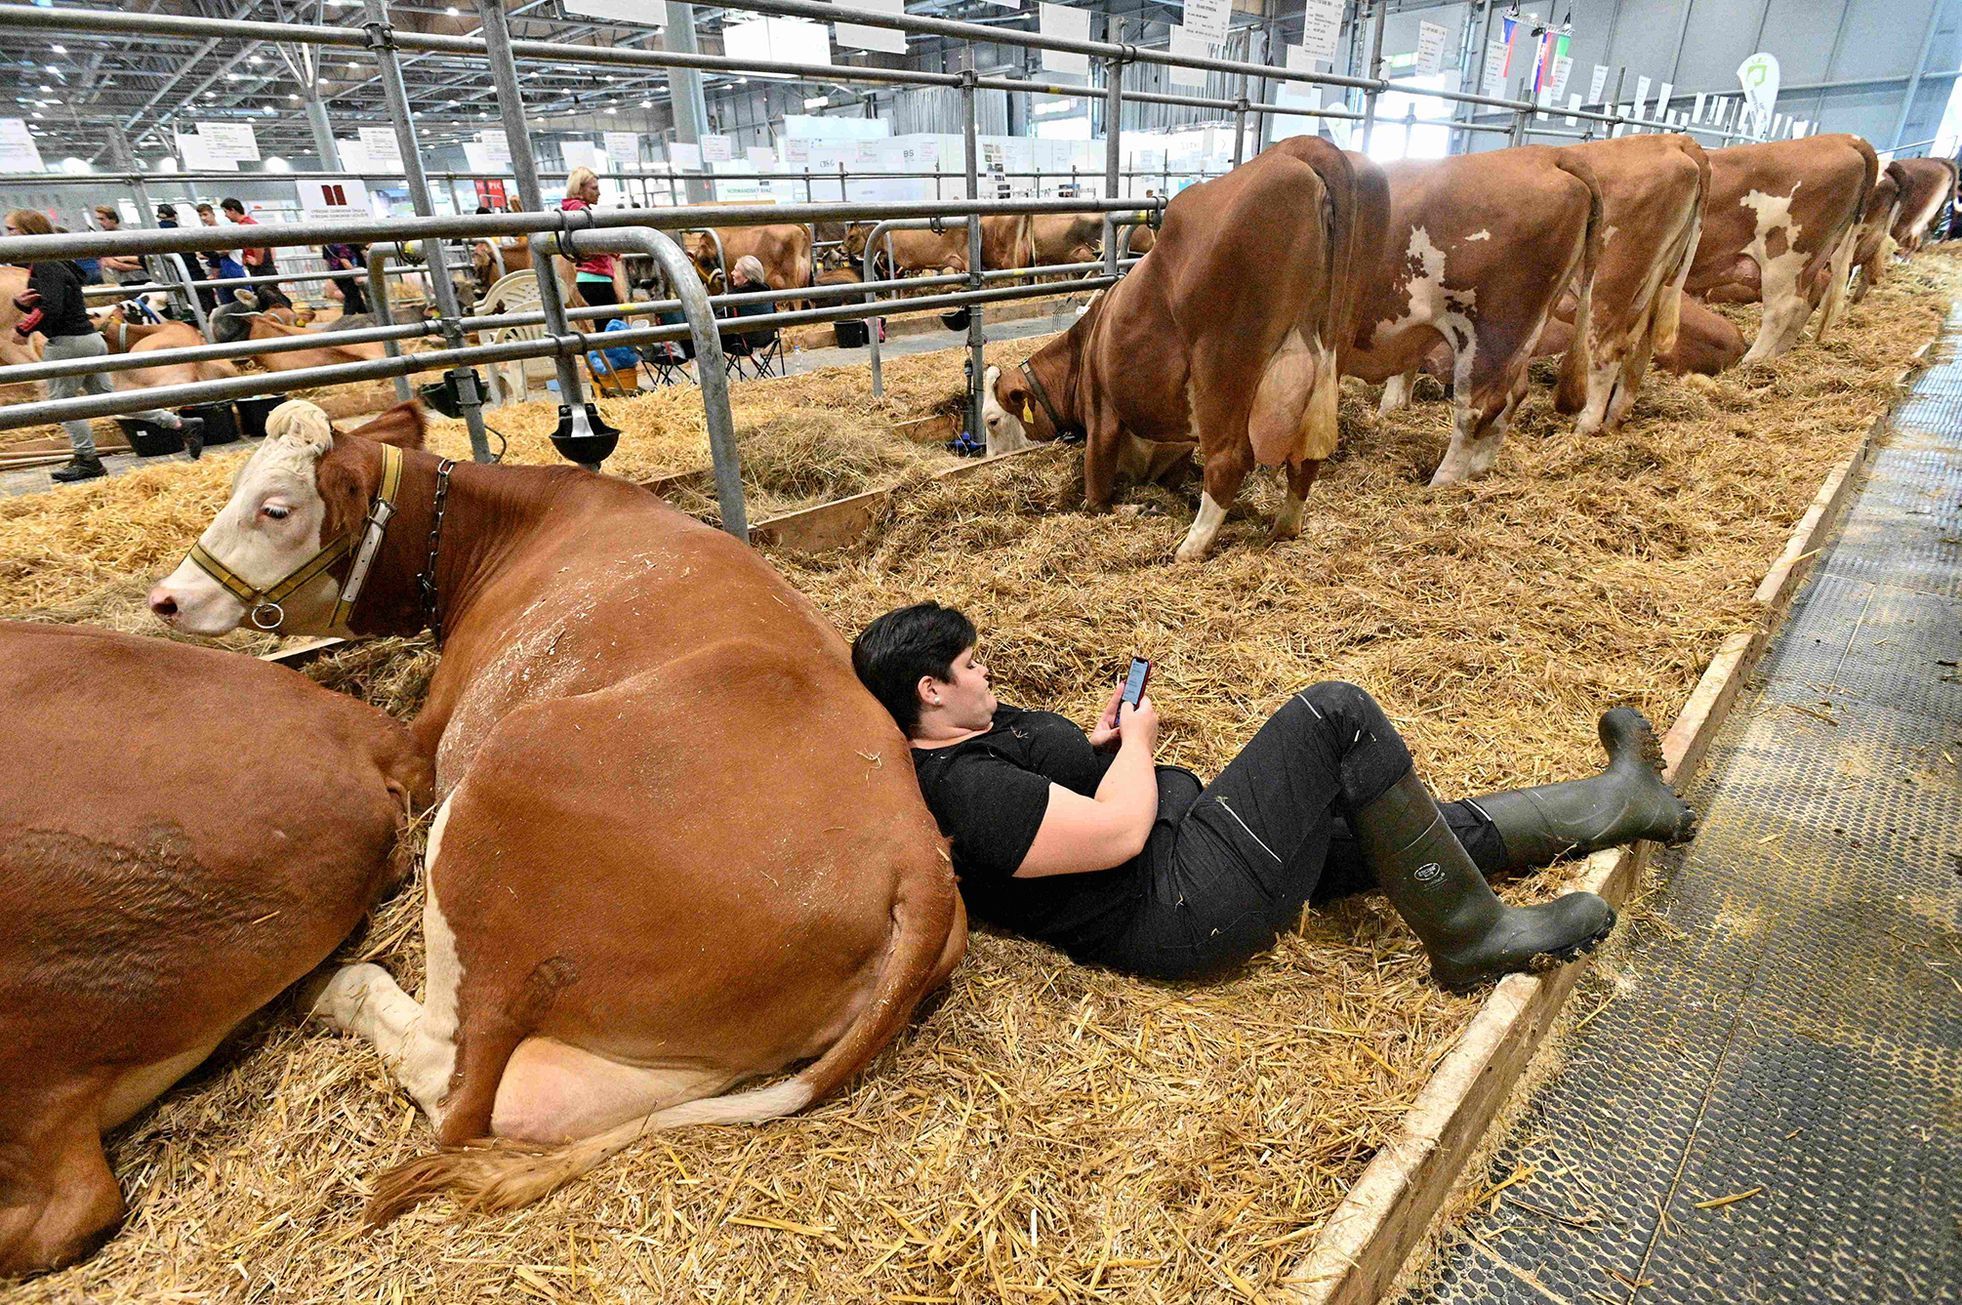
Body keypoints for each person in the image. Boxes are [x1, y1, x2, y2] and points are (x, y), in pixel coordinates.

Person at [852, 603, 1697, 992]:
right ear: (929, 689)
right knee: (1335, 717)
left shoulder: (980, 737)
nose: (984, 669)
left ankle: (1625, 801)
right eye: (969, 664)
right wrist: (1141, 752)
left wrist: (1107, 745)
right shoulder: (965, 788)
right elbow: (1110, 836)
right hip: (1184, 903)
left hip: (1191, 850)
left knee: (1385, 821)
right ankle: (1475, 936)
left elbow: (1079, 795)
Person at [6, 209, 204, 483]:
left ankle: (87, 459)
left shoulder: (44, 264)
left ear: (28, 232)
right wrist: (21, 304)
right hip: (90, 339)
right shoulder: (59, 262)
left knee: (61, 405)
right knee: (110, 399)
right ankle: (179, 423)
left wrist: (22, 328)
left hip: (67, 343)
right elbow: (55, 301)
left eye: (12, 230)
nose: (8, 236)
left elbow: (52, 307)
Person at [557, 166, 626, 329]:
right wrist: (611, 248)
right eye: (594, 188)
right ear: (579, 189)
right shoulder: (579, 211)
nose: (599, 193)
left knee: (606, 325)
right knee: (613, 327)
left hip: (590, 279)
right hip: (596, 278)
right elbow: (591, 241)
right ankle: (610, 355)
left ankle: (606, 354)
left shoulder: (574, 210)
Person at [219, 197, 289, 308]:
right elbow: (269, 246)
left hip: (260, 269)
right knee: (270, 295)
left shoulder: (246, 226)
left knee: (268, 296)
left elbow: (258, 244)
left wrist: (258, 261)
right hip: (264, 267)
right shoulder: (250, 223)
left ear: (232, 210)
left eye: (226, 212)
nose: (225, 215)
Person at [193, 202, 244, 316]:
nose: (203, 218)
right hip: (218, 270)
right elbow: (199, 254)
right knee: (226, 303)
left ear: (213, 214)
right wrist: (215, 253)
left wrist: (211, 252)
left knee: (242, 298)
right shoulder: (205, 232)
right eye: (201, 216)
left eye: (205, 214)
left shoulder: (224, 229)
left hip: (232, 267)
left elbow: (226, 250)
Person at [92, 206, 149, 289]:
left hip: (143, 278)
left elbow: (145, 259)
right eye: (98, 219)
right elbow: (113, 264)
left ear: (113, 219)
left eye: (102, 219)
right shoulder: (101, 239)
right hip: (124, 281)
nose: (100, 222)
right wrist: (140, 266)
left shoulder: (130, 235)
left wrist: (127, 260)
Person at [321, 240, 369, 316]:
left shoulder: (326, 245)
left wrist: (330, 274)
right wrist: (355, 274)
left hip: (336, 274)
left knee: (355, 296)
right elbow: (344, 261)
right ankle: (346, 318)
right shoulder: (340, 245)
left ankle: (365, 314)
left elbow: (326, 260)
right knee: (351, 298)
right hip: (346, 274)